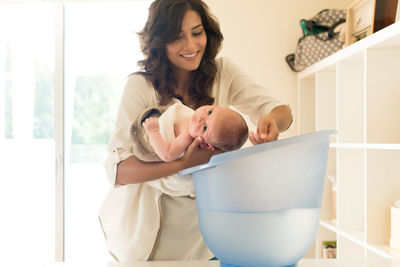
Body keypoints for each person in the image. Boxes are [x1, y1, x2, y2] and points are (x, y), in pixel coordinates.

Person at [99, 0, 293, 262]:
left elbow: (282, 112)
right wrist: (183, 163)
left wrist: (271, 120)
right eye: (178, 37)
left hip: (208, 235)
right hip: (151, 240)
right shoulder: (140, 86)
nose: (191, 46)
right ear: (159, 41)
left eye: (197, 32)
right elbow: (118, 171)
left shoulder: (222, 72)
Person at [142, 102, 249, 162]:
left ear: (206, 145)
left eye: (205, 128)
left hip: (149, 138)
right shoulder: (191, 116)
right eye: (210, 112)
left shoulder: (186, 137)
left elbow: (167, 155)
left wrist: (153, 132)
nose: (201, 117)